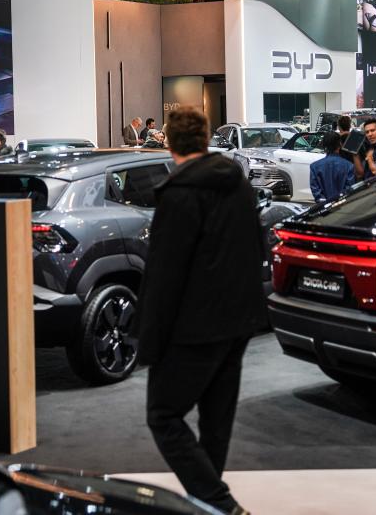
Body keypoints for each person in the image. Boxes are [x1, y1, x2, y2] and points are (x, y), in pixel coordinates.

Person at [134, 106, 265, 515]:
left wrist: (148, 342)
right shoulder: (238, 185)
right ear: (206, 137)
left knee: (163, 416)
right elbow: (255, 249)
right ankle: (209, 505)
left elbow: (164, 275)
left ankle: (218, 503)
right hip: (237, 322)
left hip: (193, 329)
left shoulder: (179, 194)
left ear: (169, 142)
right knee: (216, 421)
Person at [310, 132, 355, 202]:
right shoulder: (349, 166)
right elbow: (349, 190)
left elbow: (316, 192)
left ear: (324, 145)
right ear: (340, 144)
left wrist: (327, 203)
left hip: (324, 206)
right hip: (344, 205)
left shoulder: (314, 167)